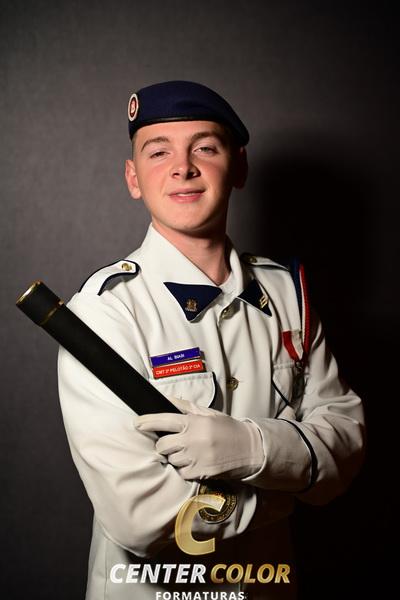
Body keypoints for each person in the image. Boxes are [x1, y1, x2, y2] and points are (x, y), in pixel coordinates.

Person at [57, 80, 365, 600]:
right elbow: (143, 519)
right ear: (133, 178)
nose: (182, 167)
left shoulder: (286, 294)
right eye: (158, 152)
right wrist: (286, 477)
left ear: (239, 167)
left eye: (204, 147)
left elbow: (347, 443)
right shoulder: (105, 313)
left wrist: (250, 447)